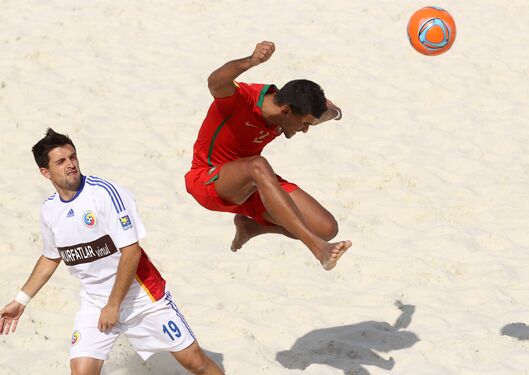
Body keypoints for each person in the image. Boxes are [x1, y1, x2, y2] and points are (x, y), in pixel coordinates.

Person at [0, 129, 223, 375]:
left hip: (142, 298)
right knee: (81, 372)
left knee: (197, 364)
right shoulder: (50, 210)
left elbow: (132, 252)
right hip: (95, 302)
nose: (71, 165)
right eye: (61, 161)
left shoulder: (105, 194)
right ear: (45, 172)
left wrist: (114, 305)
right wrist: (21, 301)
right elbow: (51, 256)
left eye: (73, 157)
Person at [185, 41, 352, 271]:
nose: (305, 130)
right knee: (258, 165)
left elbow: (326, 113)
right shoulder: (242, 99)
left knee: (326, 228)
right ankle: (318, 249)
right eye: (304, 124)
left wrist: (337, 113)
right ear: (285, 111)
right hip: (207, 180)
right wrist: (251, 61)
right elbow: (215, 82)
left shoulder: (287, 113)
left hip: (252, 184)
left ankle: (252, 227)